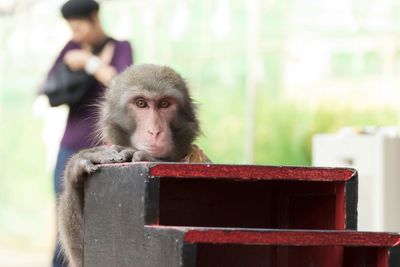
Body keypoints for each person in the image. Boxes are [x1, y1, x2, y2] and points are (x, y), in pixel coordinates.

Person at [43, 0, 133, 266]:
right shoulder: (70, 47)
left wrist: (90, 64)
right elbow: (48, 84)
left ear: (95, 18)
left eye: (80, 27)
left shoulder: (121, 47)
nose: (76, 35)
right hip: (69, 147)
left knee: (101, 219)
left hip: (104, 152)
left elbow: (123, 85)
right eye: (72, 29)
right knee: (66, 218)